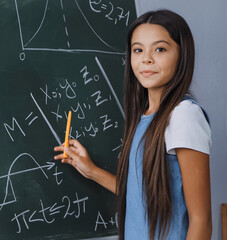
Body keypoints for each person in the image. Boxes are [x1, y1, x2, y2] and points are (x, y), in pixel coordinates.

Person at [54, 10, 212, 240]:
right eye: (138, 50)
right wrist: (92, 171)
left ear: (182, 54)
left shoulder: (184, 115)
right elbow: (140, 197)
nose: (146, 59)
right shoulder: (145, 116)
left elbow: (202, 220)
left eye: (160, 49)